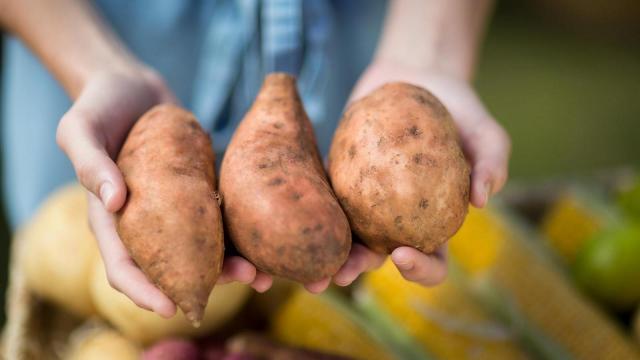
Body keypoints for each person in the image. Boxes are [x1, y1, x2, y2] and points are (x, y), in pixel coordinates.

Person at [1, 0, 510, 318]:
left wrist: (429, 55)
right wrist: (95, 70)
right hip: (106, 40)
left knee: (351, 282)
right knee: (69, 269)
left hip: (368, 74)